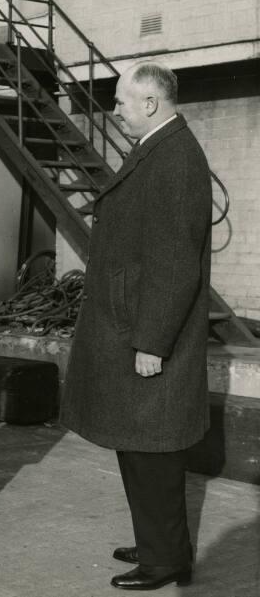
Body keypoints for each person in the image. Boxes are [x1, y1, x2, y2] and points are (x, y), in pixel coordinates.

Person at [60, 61, 212, 591]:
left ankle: (165, 559)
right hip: (134, 323)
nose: (115, 110)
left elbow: (175, 262)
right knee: (140, 443)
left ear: (150, 102)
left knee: (153, 450)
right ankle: (158, 542)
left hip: (146, 332)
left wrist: (153, 341)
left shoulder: (174, 158)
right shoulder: (161, 148)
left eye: (122, 102)